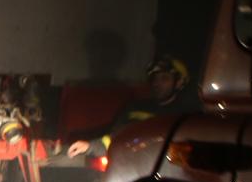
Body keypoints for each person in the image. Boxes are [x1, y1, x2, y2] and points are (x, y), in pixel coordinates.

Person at [67, 55, 198, 159]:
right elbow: (119, 136)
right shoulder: (136, 108)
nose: (157, 83)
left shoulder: (187, 117)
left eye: (164, 78)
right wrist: (90, 146)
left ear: (179, 82)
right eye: (155, 78)